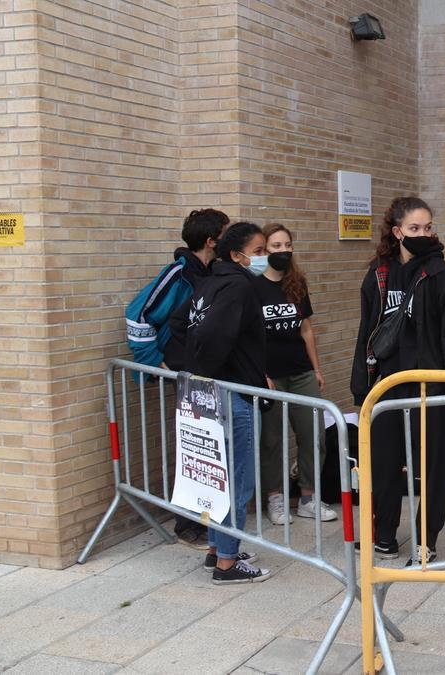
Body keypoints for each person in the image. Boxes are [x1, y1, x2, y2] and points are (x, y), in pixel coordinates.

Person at [350, 196, 445, 564]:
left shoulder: (442, 276)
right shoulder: (379, 275)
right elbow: (365, 334)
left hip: (431, 390)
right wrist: (363, 387)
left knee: (435, 468)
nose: (423, 234)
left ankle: (426, 540)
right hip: (388, 388)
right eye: (414, 228)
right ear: (397, 231)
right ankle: (384, 536)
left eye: (428, 227)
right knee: (384, 465)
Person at [125, 207, 229, 550]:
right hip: (185, 376)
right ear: (212, 240)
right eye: (226, 233)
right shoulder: (178, 273)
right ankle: (188, 526)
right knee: (195, 450)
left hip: (208, 373)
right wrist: (157, 363)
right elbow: (138, 315)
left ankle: (210, 521)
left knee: (211, 451)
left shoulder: (214, 273)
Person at [186, 221, 273, 584]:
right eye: (258, 251)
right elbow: (211, 333)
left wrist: (197, 373)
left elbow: (183, 326)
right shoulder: (238, 286)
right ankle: (227, 562)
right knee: (236, 480)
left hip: (212, 392)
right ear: (237, 255)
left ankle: (215, 548)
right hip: (232, 396)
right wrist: (215, 372)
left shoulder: (210, 281)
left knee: (217, 479)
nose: (264, 257)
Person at [256, 223, 337, 525]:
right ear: (264, 250)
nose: (284, 251)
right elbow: (250, 338)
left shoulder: (296, 283)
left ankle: (308, 497)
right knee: (272, 439)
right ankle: (275, 499)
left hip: (301, 371)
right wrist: (259, 372)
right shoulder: (252, 288)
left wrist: (316, 369)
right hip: (270, 376)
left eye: (287, 245)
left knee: (313, 435)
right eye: (276, 246)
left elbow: (306, 329)